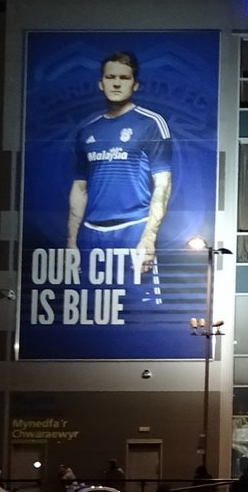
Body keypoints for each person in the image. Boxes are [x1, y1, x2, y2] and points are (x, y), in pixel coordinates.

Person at [66, 51, 173, 304]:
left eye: (124, 78)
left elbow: (163, 184)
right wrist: (71, 241)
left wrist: (148, 237)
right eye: (110, 77)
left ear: (134, 84)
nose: (116, 83)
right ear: (100, 83)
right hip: (91, 234)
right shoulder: (86, 129)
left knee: (139, 309)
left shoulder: (151, 123)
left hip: (132, 229)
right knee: (91, 308)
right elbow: (80, 188)